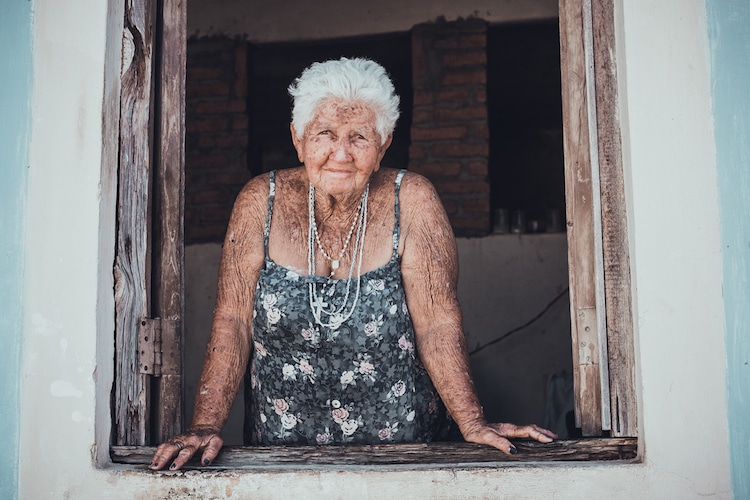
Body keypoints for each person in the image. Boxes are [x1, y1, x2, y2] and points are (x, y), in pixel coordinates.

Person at [149, 57, 556, 471]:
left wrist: (472, 421)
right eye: (324, 133)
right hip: (284, 457)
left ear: (383, 146)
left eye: (359, 136)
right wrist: (205, 423)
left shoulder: (412, 200)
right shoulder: (260, 202)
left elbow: (437, 322)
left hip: (402, 454)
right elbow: (233, 319)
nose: (340, 153)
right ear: (298, 139)